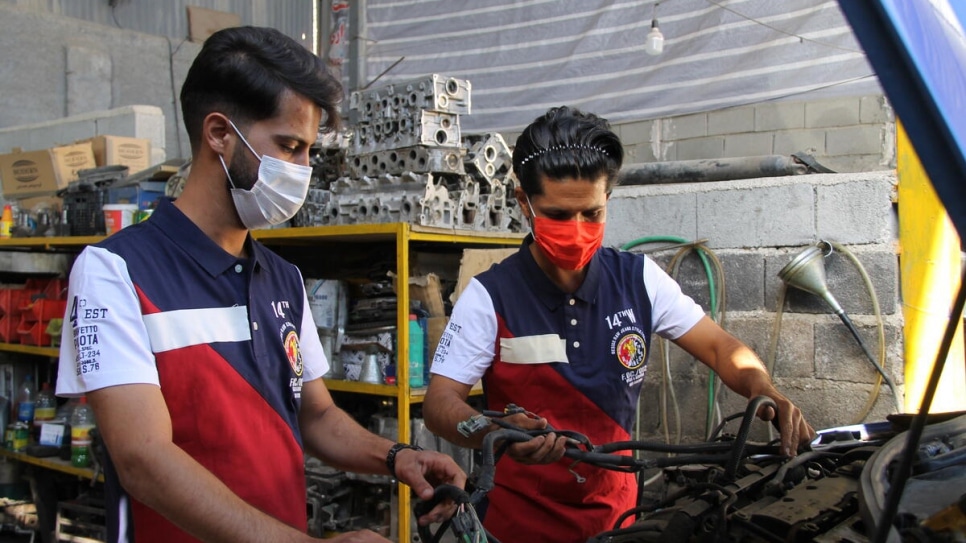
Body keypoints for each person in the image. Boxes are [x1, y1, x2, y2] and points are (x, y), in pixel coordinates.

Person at [56, 26, 465, 543]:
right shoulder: (114, 272)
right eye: (290, 147)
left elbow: (315, 415)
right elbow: (143, 460)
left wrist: (397, 456)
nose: (304, 171)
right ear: (219, 134)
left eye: (309, 151)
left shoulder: (284, 279)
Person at [422, 105, 815, 542]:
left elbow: (724, 350)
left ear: (607, 199)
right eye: (557, 215)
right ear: (523, 203)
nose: (576, 230)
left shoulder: (640, 281)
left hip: (617, 521)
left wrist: (765, 389)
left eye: (591, 214)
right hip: (517, 525)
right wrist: (494, 433)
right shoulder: (489, 297)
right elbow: (440, 403)